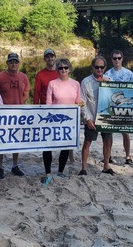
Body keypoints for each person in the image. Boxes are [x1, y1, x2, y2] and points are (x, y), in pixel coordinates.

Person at [41, 58, 81, 186]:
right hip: (54, 120)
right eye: (60, 68)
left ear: (69, 69)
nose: (63, 70)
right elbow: (48, 103)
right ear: (57, 70)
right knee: (47, 146)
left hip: (68, 121)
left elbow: (77, 102)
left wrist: (81, 104)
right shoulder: (52, 84)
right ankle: (48, 173)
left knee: (65, 146)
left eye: (66, 67)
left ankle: (60, 171)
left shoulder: (76, 84)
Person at [0, 53, 30, 179]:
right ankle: (0, 166)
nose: (13, 64)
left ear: (19, 63)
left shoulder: (23, 77)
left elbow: (26, 93)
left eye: (16, 62)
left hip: (18, 114)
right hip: (2, 115)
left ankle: (14, 165)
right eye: (11, 62)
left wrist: (19, 104)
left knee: (16, 140)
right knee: (1, 140)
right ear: (7, 63)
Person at [79, 56, 114, 176]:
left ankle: (106, 166)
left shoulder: (110, 80)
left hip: (106, 118)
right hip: (92, 117)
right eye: (96, 67)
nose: (99, 69)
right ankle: (83, 168)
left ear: (105, 68)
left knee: (108, 141)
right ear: (92, 67)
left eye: (101, 67)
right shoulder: (85, 82)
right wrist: (87, 119)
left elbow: (115, 100)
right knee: (87, 142)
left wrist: (108, 86)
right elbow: (82, 102)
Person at [104, 50, 133, 164]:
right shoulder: (107, 74)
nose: (117, 60)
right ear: (111, 59)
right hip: (111, 105)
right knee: (109, 133)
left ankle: (127, 156)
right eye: (114, 58)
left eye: (119, 58)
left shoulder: (129, 74)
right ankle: (109, 155)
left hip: (125, 105)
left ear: (122, 58)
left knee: (125, 132)